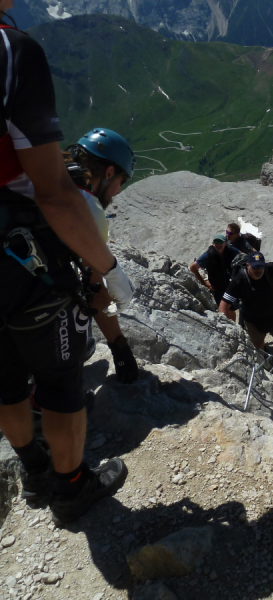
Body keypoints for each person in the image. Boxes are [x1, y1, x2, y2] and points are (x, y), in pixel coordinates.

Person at [0, 3, 132, 524]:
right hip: (20, 257)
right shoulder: (12, 50)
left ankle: (32, 467)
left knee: (6, 383)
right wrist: (111, 271)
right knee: (60, 383)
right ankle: (71, 485)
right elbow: (54, 194)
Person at [64, 128, 138, 383]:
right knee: (80, 340)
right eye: (120, 181)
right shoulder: (87, 207)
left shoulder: (46, 177)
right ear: (108, 172)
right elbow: (96, 289)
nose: (117, 191)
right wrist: (120, 348)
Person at [219, 252, 273, 381]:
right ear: (248, 265)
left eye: (260, 267)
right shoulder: (239, 279)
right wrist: (223, 325)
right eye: (255, 267)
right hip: (253, 321)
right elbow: (224, 303)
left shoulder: (269, 268)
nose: (258, 270)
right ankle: (266, 375)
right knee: (258, 347)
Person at [190, 233, 240, 312]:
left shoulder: (231, 251)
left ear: (225, 243)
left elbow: (242, 257)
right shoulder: (208, 255)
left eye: (220, 242)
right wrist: (203, 283)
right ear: (213, 243)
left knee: (231, 309)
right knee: (222, 311)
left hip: (231, 286)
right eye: (216, 242)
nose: (218, 244)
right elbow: (193, 267)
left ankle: (232, 324)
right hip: (217, 289)